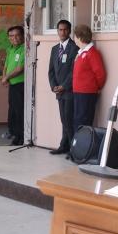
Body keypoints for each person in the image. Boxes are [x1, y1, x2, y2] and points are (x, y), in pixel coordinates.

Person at [48, 20, 79, 156]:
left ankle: (73, 148)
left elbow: (74, 71)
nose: (63, 32)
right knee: (63, 120)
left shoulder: (74, 48)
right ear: (57, 31)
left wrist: (64, 86)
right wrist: (54, 86)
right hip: (59, 92)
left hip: (69, 91)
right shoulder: (55, 49)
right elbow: (51, 71)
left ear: (70, 31)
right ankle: (64, 146)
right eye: (60, 30)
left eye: (65, 29)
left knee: (69, 120)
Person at [72, 24, 106, 134]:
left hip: (87, 92)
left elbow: (100, 73)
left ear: (80, 38)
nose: (74, 39)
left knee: (83, 120)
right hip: (78, 91)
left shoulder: (92, 53)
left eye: (75, 36)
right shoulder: (82, 52)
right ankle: (78, 146)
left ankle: (83, 147)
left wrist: (97, 87)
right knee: (78, 120)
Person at [1, 25, 25, 146]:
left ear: (22, 36)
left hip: (21, 85)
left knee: (20, 112)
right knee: (13, 112)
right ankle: (15, 135)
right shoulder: (10, 49)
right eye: (11, 36)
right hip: (12, 86)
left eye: (17, 35)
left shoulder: (24, 49)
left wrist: (7, 77)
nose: (14, 38)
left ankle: (21, 138)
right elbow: (5, 66)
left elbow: (20, 68)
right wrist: (4, 77)